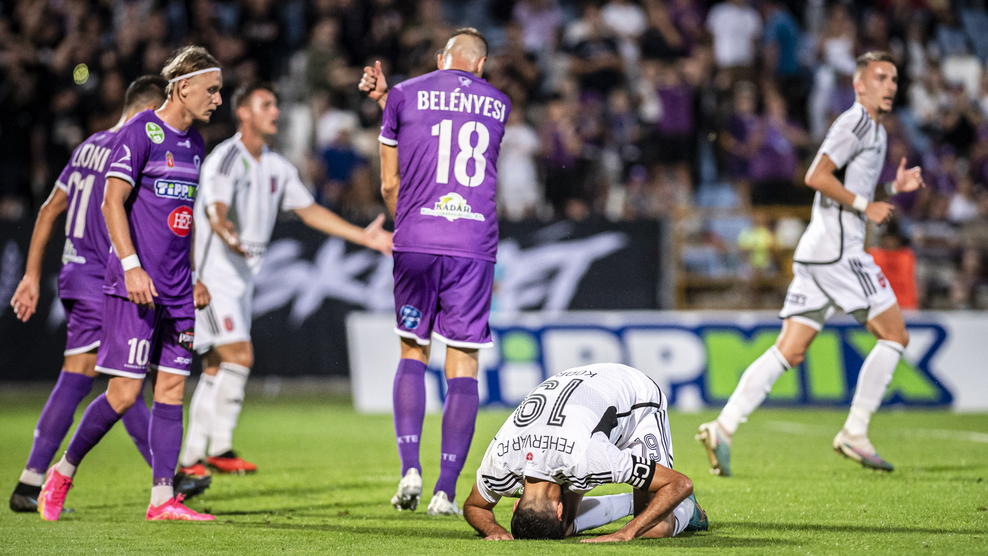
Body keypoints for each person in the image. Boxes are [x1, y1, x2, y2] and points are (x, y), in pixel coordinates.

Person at [697, 52, 925, 477]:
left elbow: (852, 188)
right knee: (895, 335)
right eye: (880, 77)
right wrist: (867, 206)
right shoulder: (856, 123)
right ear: (859, 84)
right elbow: (816, 176)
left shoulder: (874, 131)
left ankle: (722, 427)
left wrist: (892, 188)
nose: (891, 86)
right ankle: (855, 431)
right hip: (839, 252)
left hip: (817, 251)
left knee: (790, 349)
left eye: (894, 78)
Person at [8, 76, 210, 514]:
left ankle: (36, 480)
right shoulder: (135, 146)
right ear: (152, 110)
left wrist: (31, 275)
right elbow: (119, 208)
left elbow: (48, 209)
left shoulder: (88, 146)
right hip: (108, 278)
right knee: (114, 382)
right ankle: (49, 477)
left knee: (103, 379)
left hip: (75, 272)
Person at [178, 82, 392, 476]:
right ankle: (207, 452)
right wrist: (226, 231)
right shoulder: (226, 158)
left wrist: (364, 236)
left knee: (216, 367)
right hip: (211, 278)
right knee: (238, 356)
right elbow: (213, 210)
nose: (275, 111)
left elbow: (310, 212)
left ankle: (200, 455)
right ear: (243, 113)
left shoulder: (276, 166)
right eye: (266, 104)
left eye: (275, 104)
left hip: (242, 280)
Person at [359, 28, 511, 516]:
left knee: (412, 349)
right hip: (473, 244)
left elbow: (389, 183)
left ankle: (410, 470)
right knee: (463, 361)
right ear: (480, 65)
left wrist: (407, 225)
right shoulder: (500, 104)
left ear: (441, 58)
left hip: (417, 239)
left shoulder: (404, 94)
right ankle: (446, 491)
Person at [462, 363, 707, 541]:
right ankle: (632, 502)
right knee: (564, 523)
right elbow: (475, 506)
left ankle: (688, 510)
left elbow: (680, 484)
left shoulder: (590, 458)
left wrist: (625, 533)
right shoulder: (499, 462)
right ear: (516, 506)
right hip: (580, 384)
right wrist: (495, 529)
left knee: (656, 528)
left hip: (636, 395)